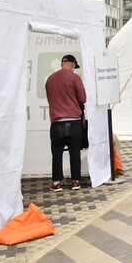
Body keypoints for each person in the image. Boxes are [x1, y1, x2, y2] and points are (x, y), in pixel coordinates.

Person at [45, 54, 87, 191]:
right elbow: (82, 98)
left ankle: (56, 182)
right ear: (73, 63)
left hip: (56, 122)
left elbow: (50, 99)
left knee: (56, 153)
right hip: (73, 122)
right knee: (74, 152)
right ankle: (75, 181)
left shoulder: (50, 79)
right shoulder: (75, 78)